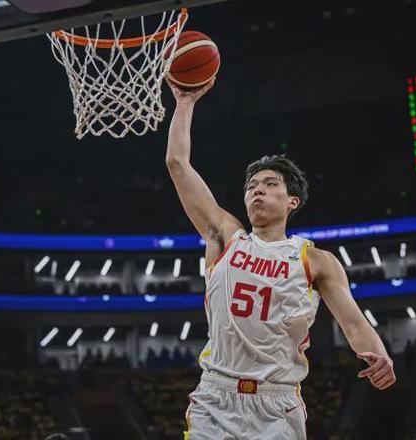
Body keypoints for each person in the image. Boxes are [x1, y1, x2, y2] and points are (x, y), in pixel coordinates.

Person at [165, 77, 396, 440]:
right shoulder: (225, 237)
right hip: (216, 396)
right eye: (251, 186)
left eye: (270, 183)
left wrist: (378, 353)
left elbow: (353, 323)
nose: (257, 189)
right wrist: (184, 103)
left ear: (292, 201)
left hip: (278, 404)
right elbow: (177, 163)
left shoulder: (316, 260)